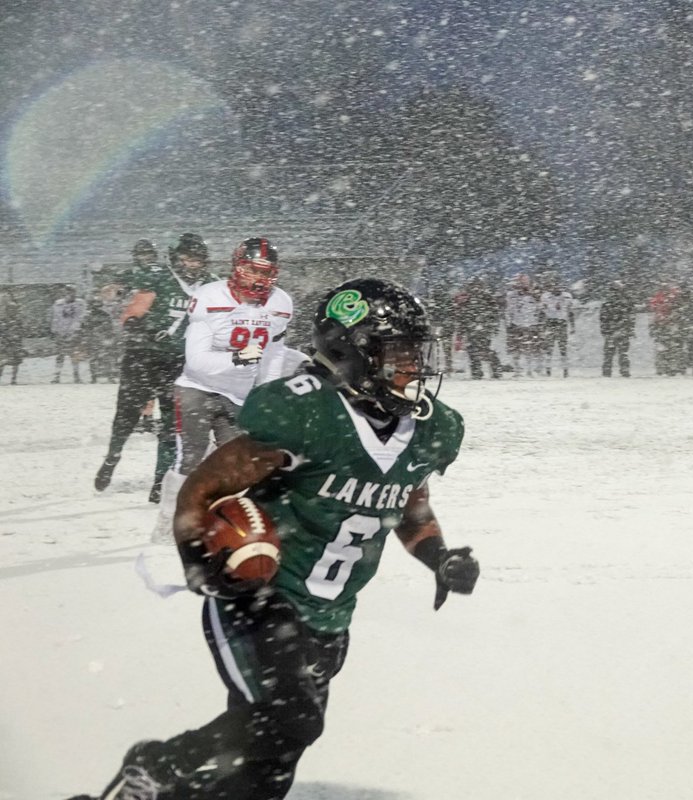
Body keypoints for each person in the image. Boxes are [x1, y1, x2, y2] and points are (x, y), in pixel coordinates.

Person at [67, 278, 479, 800]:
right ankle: (160, 765)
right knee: (291, 721)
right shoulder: (306, 411)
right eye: (394, 351)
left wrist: (439, 557)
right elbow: (202, 488)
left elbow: (410, 507)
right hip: (261, 596)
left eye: (414, 353)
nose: (411, 366)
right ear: (347, 350)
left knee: (268, 770)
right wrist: (199, 563)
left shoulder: (428, 429)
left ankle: (157, 782)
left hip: (330, 614)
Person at [152, 237, 294, 539]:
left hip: (238, 395)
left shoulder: (280, 303)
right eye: (253, 270)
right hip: (197, 388)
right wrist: (238, 358)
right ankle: (166, 525)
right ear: (237, 267)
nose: (259, 278)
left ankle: (216, 522)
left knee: (237, 468)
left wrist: (266, 395)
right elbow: (197, 361)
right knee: (190, 457)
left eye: (266, 272)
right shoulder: (210, 296)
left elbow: (272, 354)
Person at [94, 234, 217, 501]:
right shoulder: (158, 276)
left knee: (173, 426)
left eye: (198, 260)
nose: (193, 265)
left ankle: (160, 482)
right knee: (126, 416)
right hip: (143, 357)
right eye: (187, 259)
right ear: (175, 259)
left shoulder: (213, 285)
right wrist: (135, 323)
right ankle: (113, 457)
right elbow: (129, 296)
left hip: (180, 362)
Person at [456, 275, 504, 379]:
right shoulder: (468, 299)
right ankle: (477, 371)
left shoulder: (487, 298)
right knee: (473, 350)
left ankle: (495, 370)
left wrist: (491, 325)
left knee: (485, 349)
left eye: (477, 285)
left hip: (483, 328)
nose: (475, 288)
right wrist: (463, 327)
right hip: (473, 328)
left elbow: (494, 313)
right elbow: (464, 314)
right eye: (473, 285)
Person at [539, 273, 574, 377]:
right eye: (553, 285)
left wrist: (572, 326)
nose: (556, 288)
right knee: (549, 348)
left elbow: (570, 312)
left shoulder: (567, 296)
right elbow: (542, 312)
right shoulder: (546, 296)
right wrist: (541, 325)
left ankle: (565, 370)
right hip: (550, 322)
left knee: (563, 348)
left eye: (558, 285)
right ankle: (548, 369)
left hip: (561, 322)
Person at [49, 284, 87, 383]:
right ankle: (57, 376)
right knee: (60, 355)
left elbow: (79, 318)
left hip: (73, 332)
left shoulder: (80, 303)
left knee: (74, 355)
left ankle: (76, 375)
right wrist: (55, 330)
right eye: (68, 291)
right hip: (61, 332)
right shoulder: (58, 304)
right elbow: (56, 318)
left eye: (72, 291)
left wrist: (74, 331)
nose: (70, 294)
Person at [600, 279, 636, 377]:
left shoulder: (608, 303)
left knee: (611, 352)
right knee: (622, 352)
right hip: (620, 329)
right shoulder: (625, 302)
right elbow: (631, 317)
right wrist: (630, 328)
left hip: (614, 330)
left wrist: (605, 329)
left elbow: (603, 318)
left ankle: (608, 371)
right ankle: (623, 370)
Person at [0, 289, 23, 384]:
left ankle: (14, 379)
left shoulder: (17, 320)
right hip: (7, 341)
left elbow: (21, 330)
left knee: (15, 361)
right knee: (2, 359)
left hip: (14, 341)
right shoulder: (3, 320)